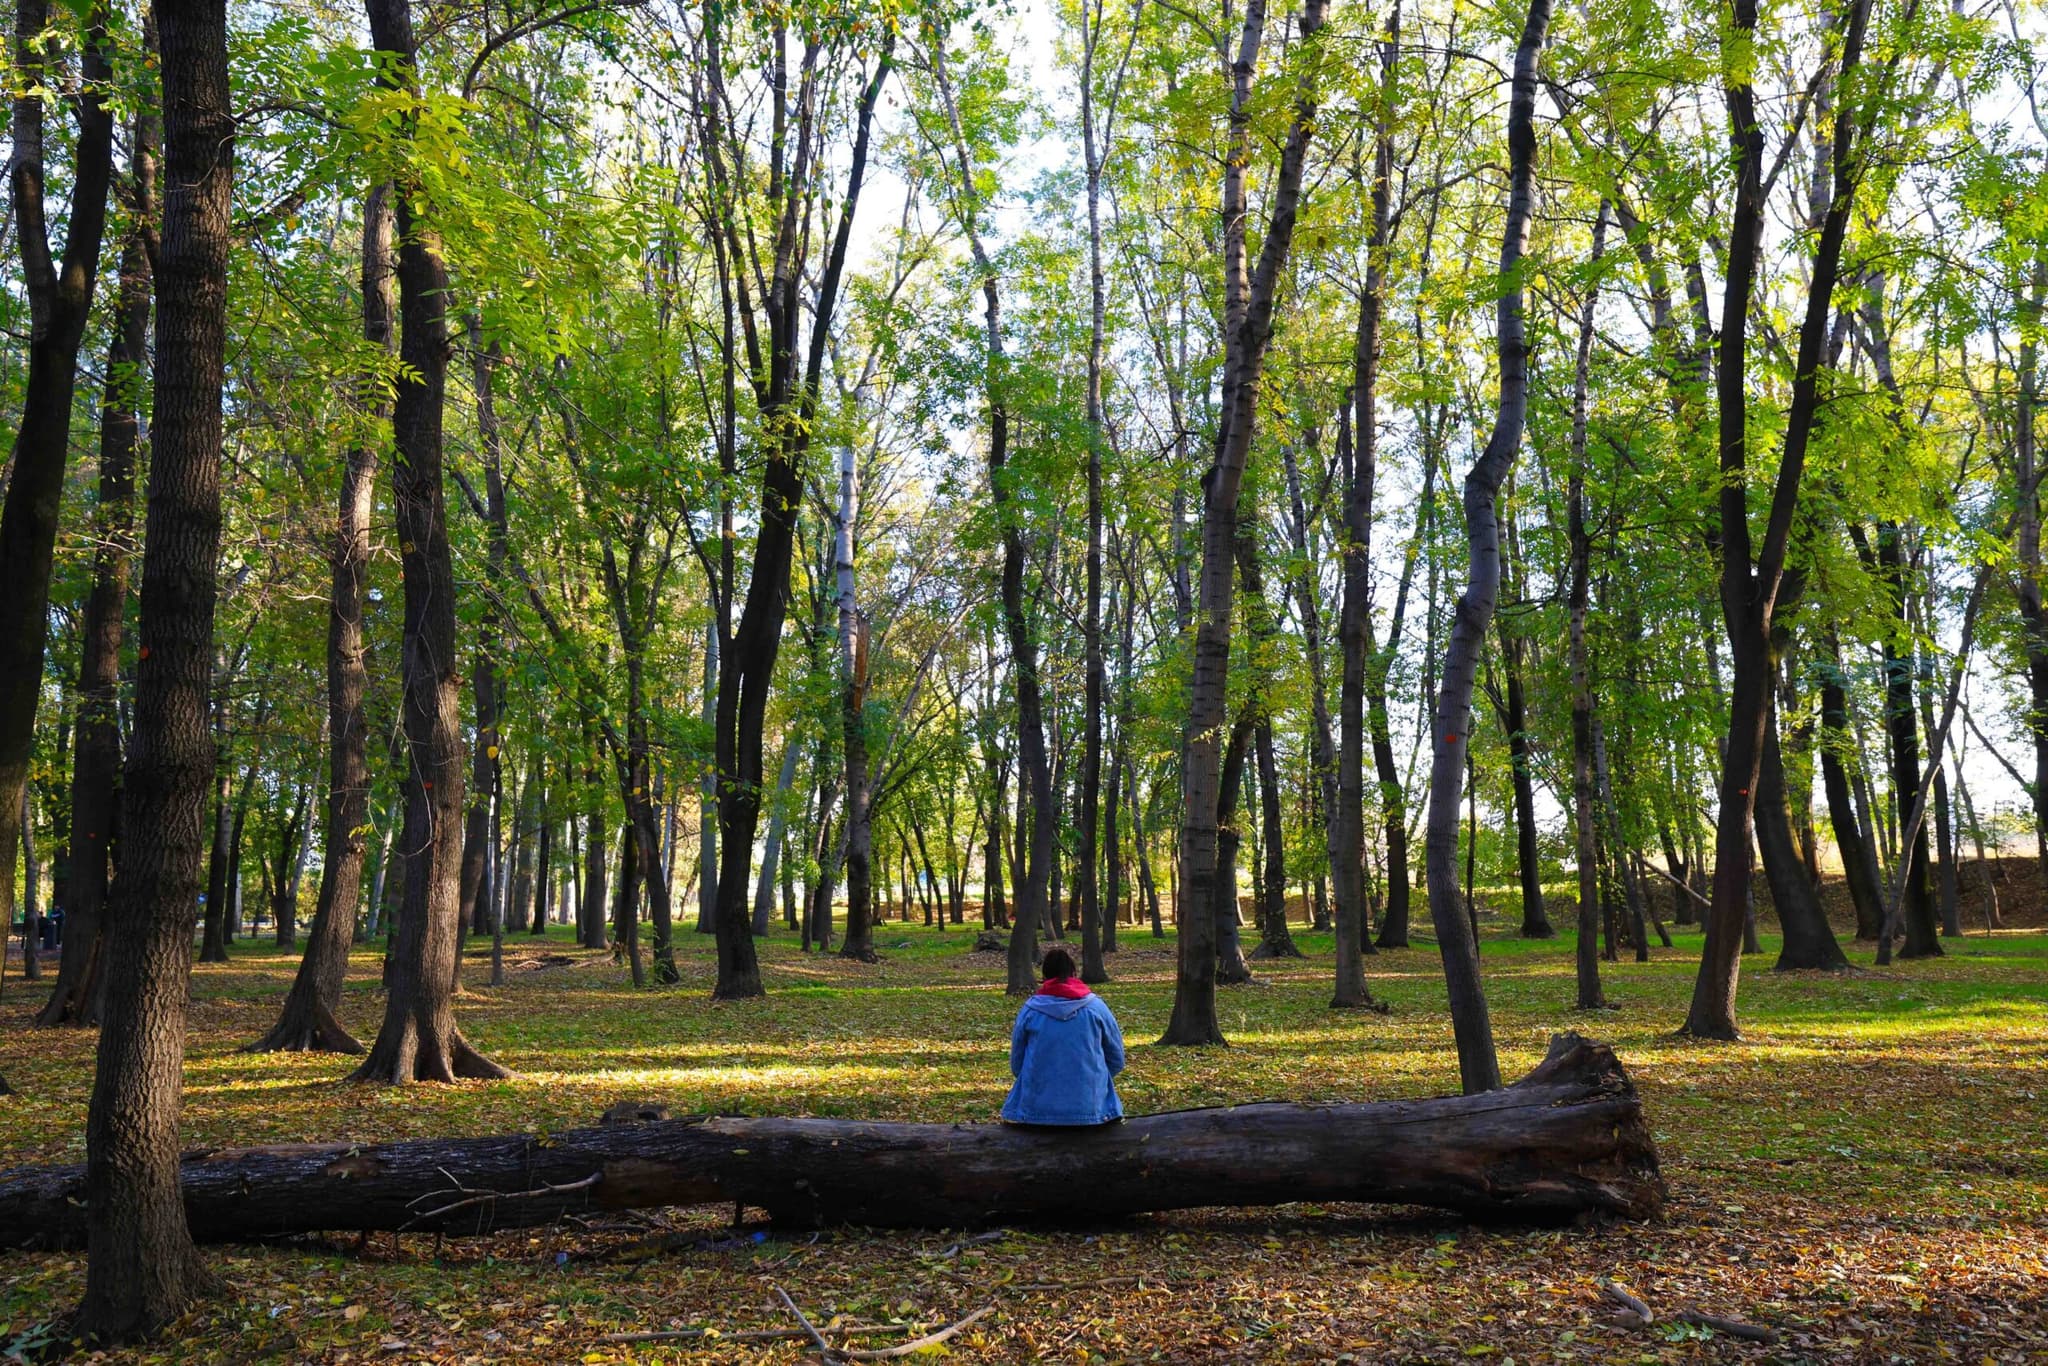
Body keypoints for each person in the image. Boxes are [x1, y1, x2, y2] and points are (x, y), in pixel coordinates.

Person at [1001, 947, 1126, 1125]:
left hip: (1037, 1112)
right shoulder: (1097, 1008)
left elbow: (1017, 1064)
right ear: (1073, 973)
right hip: (1091, 1109)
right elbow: (1116, 1060)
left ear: (1044, 976)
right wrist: (1091, 1080)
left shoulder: (1030, 1010)